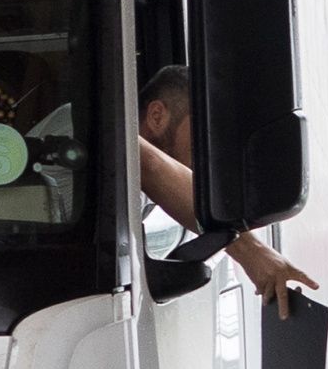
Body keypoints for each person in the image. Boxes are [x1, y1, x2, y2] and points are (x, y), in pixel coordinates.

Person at [135, 65, 317, 311]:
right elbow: (145, 160)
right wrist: (252, 251)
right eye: (207, 134)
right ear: (156, 116)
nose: (212, 155)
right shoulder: (93, 136)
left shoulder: (140, 198)